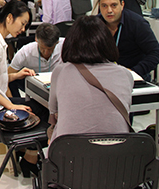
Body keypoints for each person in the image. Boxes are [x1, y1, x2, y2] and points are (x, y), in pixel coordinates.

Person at [0, 0, 44, 177]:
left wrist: (16, 75)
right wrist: (11, 105)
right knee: (44, 113)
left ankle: (25, 152)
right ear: (10, 18)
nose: (23, 29)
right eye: (22, 23)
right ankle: (29, 158)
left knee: (36, 106)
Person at [48, 16, 133, 145]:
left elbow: (53, 113)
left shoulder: (60, 71)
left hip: (69, 152)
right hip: (117, 152)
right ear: (108, 43)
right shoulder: (126, 74)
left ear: (70, 44)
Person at [98, 0, 159, 81]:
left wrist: (133, 72)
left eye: (114, 5)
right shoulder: (94, 24)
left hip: (132, 78)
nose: (109, 10)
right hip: (103, 78)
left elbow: (156, 54)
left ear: (122, 5)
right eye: (104, 6)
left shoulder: (137, 23)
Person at [8, 23, 64, 95]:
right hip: (32, 84)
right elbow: (6, 76)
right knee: (13, 80)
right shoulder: (25, 52)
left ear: (57, 42)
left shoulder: (65, 45)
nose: (46, 53)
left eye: (50, 49)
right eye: (43, 48)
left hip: (56, 83)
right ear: (36, 39)